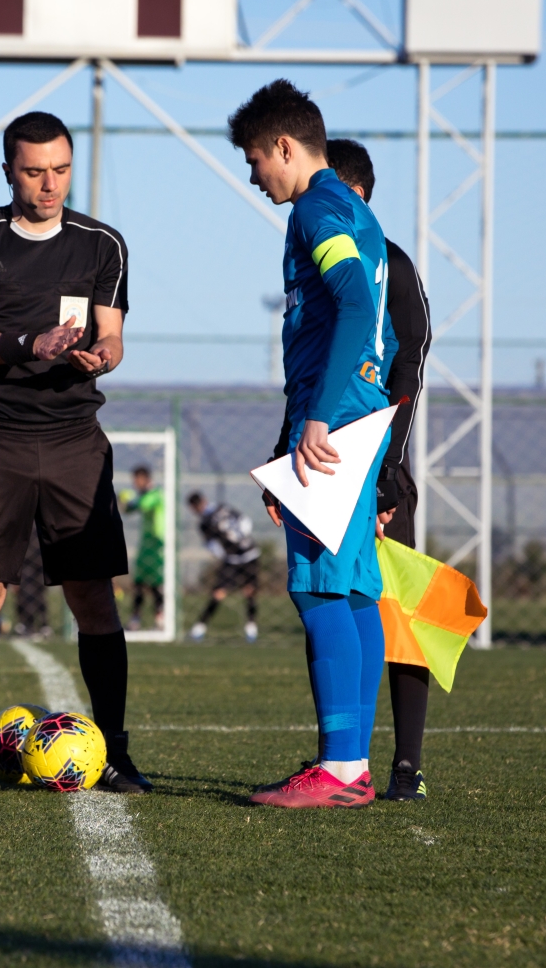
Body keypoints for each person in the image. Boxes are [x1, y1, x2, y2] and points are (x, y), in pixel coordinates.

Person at [0, 110, 150, 794]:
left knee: (93, 598)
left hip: (74, 442)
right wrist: (30, 344)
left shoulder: (102, 245)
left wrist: (100, 356)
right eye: (33, 171)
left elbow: (112, 337)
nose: (48, 184)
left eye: (59, 170)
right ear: (7, 171)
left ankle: (113, 750)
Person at [232, 79, 397, 809]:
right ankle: (351, 763)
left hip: (336, 420)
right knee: (355, 589)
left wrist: (322, 415)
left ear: (285, 147)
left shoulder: (320, 207)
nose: (253, 175)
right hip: (354, 412)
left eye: (254, 160)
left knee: (319, 586)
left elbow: (359, 303)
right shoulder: (351, 209)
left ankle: (339, 769)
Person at [327, 138, 433, 802]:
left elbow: (410, 362)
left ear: (354, 193)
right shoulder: (323, 266)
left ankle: (406, 766)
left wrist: (390, 465)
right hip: (323, 464)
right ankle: (344, 762)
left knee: (398, 616)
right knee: (334, 604)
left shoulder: (388, 263)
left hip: (378, 470)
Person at [186, 492, 261, 643]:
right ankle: (200, 627)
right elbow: (244, 521)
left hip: (248, 556)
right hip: (234, 559)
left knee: (249, 591)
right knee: (219, 592)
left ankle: (251, 627)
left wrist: (224, 551)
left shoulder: (207, 520)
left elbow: (213, 545)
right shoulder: (219, 511)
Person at [120, 466, 165, 630]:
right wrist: (124, 502)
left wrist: (128, 499)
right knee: (138, 581)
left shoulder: (155, 494)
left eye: (137, 480)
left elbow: (143, 505)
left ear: (145, 479)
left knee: (156, 582)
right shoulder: (144, 494)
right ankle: (135, 619)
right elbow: (128, 509)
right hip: (146, 543)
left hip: (158, 543)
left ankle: (160, 618)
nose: (135, 483)